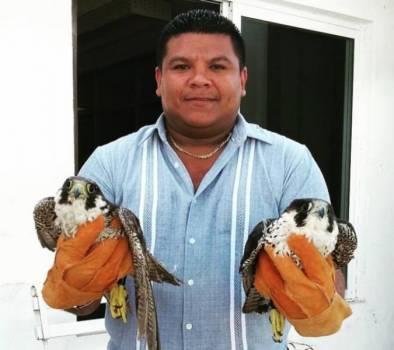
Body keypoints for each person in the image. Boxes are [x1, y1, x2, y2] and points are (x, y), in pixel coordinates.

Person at [74, 9, 350, 350]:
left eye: (218, 67)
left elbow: (331, 292)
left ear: (243, 80)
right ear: (159, 80)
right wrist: (79, 283)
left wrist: (313, 294)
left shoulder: (289, 163)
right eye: (181, 66)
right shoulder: (110, 163)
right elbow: (78, 301)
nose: (199, 79)